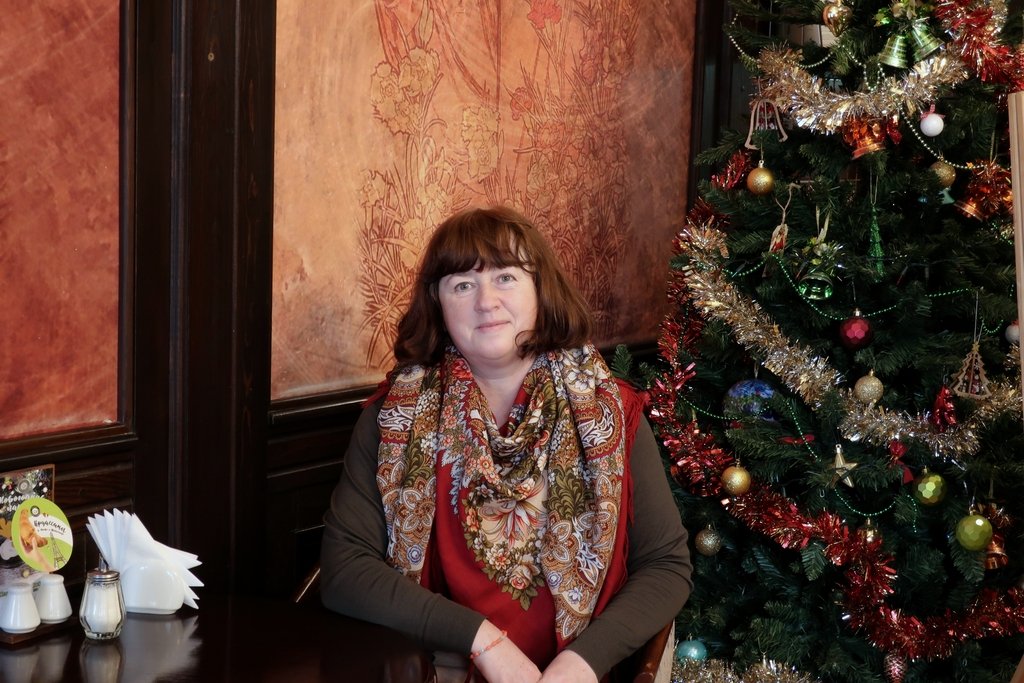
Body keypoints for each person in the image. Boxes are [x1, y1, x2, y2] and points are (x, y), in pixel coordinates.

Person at [320, 206, 692, 683]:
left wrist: (580, 664)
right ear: (437, 304)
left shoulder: (613, 413)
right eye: (462, 285)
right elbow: (345, 570)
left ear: (541, 290)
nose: (486, 301)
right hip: (434, 670)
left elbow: (665, 566)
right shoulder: (392, 417)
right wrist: (485, 643)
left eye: (506, 277)